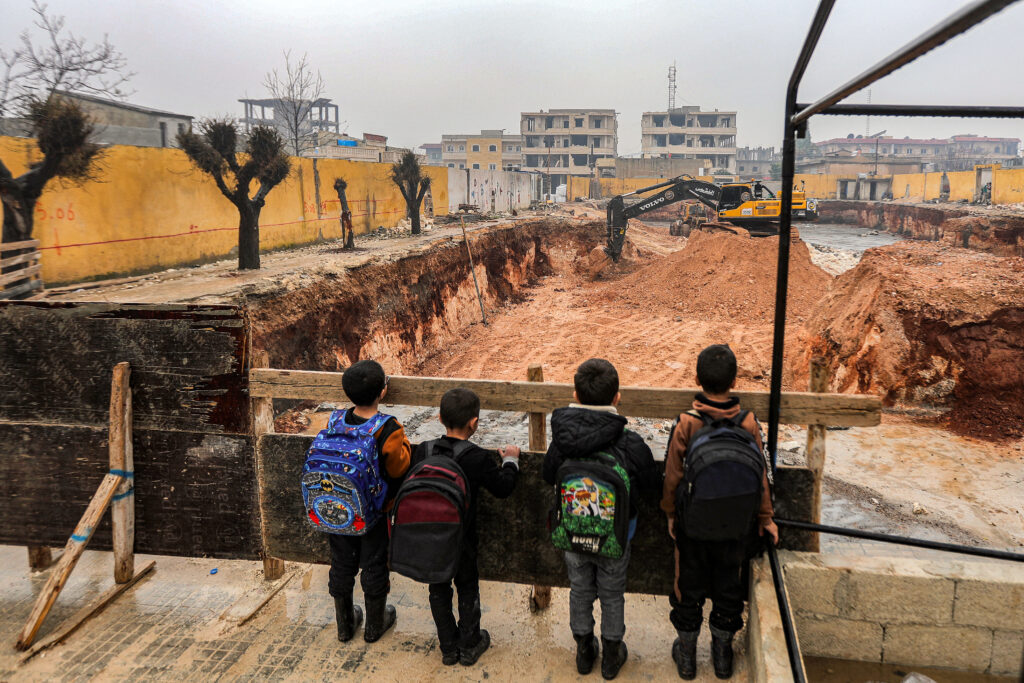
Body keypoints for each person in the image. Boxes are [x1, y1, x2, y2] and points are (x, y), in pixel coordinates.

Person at [662, 345, 778, 679]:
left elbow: (673, 476)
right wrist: (765, 518)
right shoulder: (748, 422)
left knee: (688, 586)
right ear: (735, 380)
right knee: (729, 587)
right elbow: (760, 476)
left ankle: (686, 656)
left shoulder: (687, 422)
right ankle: (722, 656)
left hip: (693, 525)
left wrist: (671, 513)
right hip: (736, 527)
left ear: (697, 379)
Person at [543, 358, 660, 680]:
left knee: (579, 589)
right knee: (611, 592)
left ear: (575, 395)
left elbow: (547, 474)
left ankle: (583, 649)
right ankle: (611, 655)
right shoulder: (629, 441)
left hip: (572, 533)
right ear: (617, 397)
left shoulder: (562, 439)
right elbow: (651, 484)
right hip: (616, 536)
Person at [411, 388, 520, 667]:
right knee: (467, 587)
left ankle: (448, 646)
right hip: (462, 540)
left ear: (438, 417)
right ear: (474, 423)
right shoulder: (477, 458)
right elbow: (504, 488)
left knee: (438, 588)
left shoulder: (422, 450)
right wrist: (511, 460)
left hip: (429, 538)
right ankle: (470, 644)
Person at [328, 360, 411, 643]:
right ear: (383, 392)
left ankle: (344, 625)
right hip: (373, 513)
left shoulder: (334, 419)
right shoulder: (387, 428)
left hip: (335, 509)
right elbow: (398, 468)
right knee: (374, 564)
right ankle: (375, 624)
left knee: (341, 563)